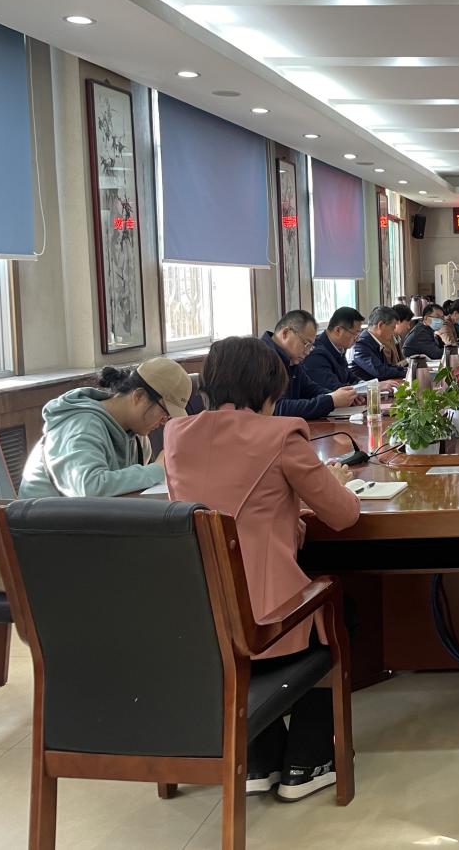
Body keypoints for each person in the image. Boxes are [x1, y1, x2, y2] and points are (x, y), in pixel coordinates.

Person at [164, 336, 360, 801]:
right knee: (338, 611)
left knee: (242, 638)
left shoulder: (175, 434)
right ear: (270, 386)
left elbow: (215, 512)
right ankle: (307, 760)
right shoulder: (281, 434)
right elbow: (344, 515)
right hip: (267, 621)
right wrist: (333, 481)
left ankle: (260, 757)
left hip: (201, 616)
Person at [19, 358, 191, 498]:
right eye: (165, 412)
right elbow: (88, 489)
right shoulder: (81, 425)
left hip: (87, 523)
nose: (164, 422)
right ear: (139, 396)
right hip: (43, 526)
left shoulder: (138, 437)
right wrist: (157, 469)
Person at [263, 310, 357, 419]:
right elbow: (278, 408)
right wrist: (331, 401)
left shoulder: (291, 359)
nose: (307, 352)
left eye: (311, 346)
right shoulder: (262, 358)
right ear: (285, 333)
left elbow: (311, 389)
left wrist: (342, 396)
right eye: (306, 344)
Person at [301, 306, 365, 394]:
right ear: (338, 330)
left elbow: (349, 376)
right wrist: (360, 391)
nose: (357, 339)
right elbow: (332, 388)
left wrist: (366, 385)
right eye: (355, 334)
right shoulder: (316, 354)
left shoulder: (339, 347)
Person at [348, 306, 407, 382]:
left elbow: (386, 367)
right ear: (380, 325)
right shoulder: (361, 344)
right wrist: (407, 372)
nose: (393, 333)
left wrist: (405, 369)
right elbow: (380, 371)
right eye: (392, 328)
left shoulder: (373, 341)